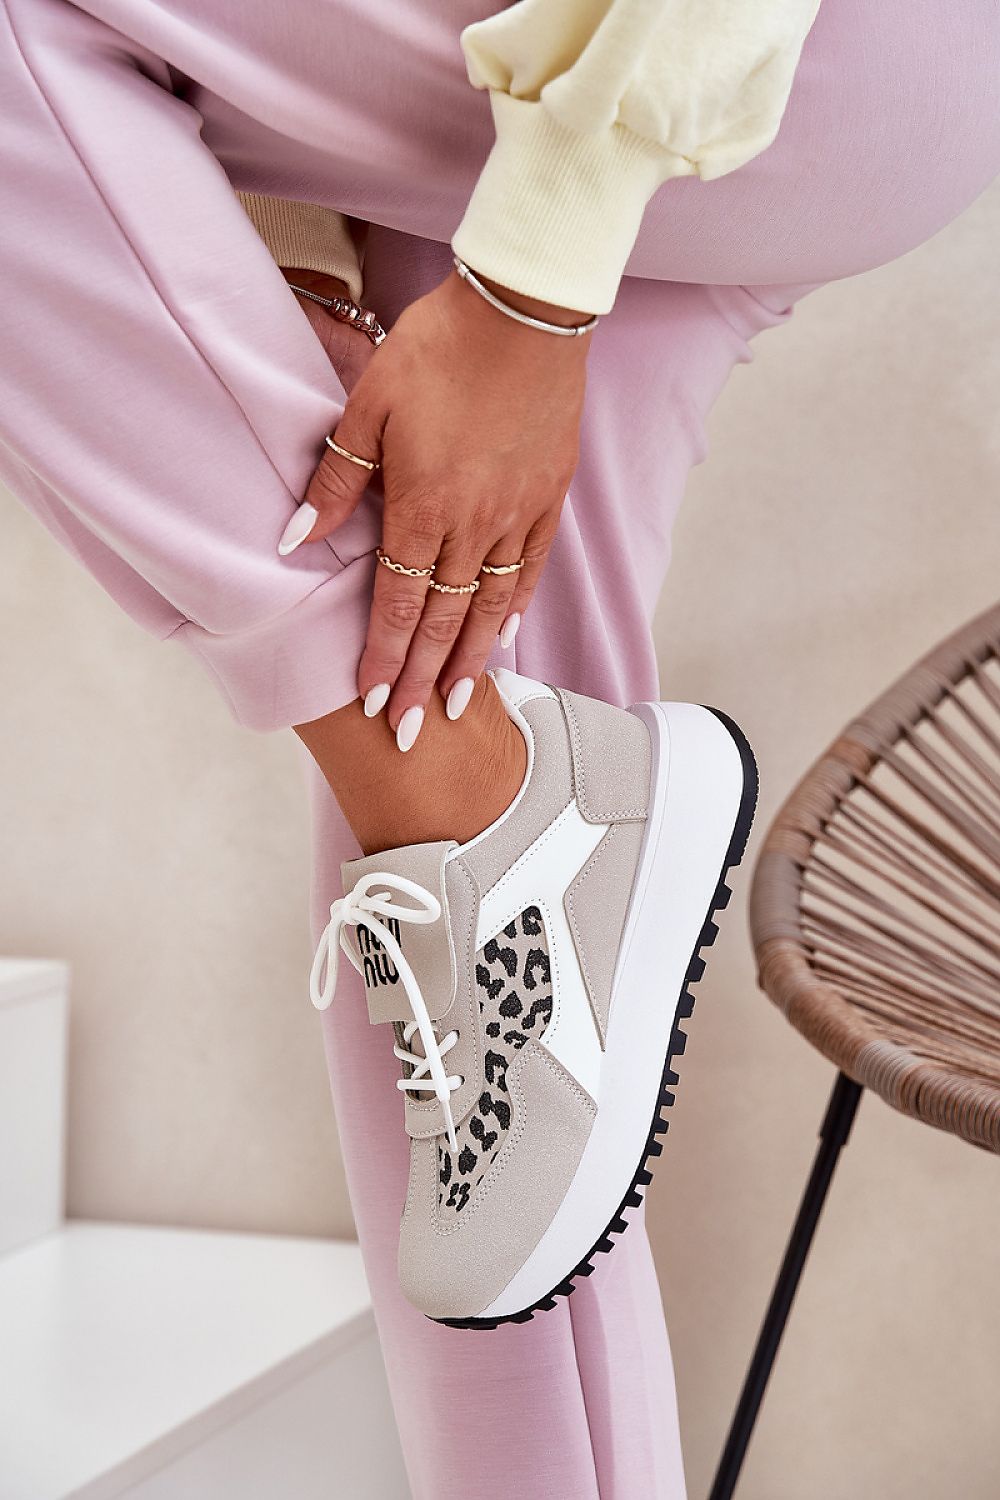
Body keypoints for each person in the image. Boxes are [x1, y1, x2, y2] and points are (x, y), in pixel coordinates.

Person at [2, 0, 998, 1493]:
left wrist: (538, 279)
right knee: (500, 1055)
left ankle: (497, 804)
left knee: (438, 790)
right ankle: (509, 812)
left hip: (761, 45)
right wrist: (308, 266)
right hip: (606, 73)